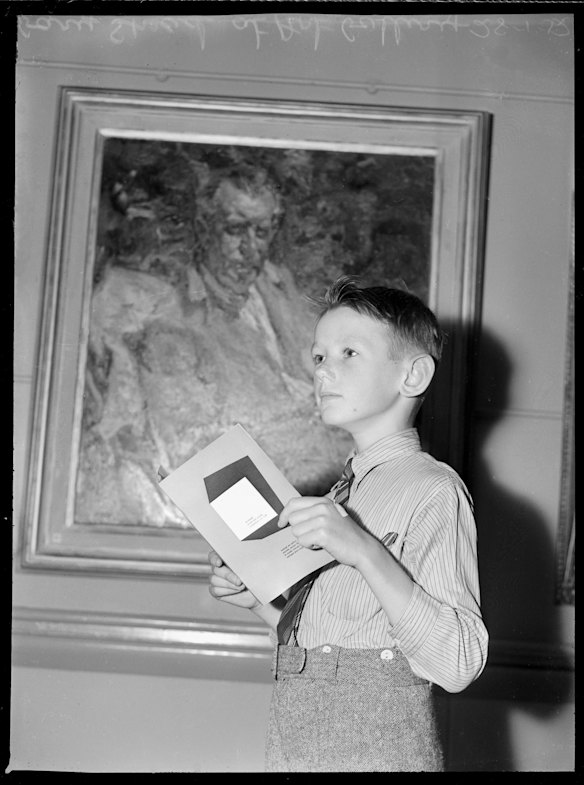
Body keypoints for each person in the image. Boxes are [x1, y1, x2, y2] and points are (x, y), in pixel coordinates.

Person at [208, 276, 489, 772]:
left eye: (348, 354)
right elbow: (336, 649)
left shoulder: (433, 490)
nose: (323, 372)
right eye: (318, 357)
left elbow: (459, 663)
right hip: (297, 749)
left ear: (413, 375)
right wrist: (255, 601)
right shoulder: (341, 495)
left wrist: (362, 548)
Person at [75, 166, 349, 526]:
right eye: (235, 230)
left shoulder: (282, 293)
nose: (251, 250)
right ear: (205, 229)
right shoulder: (173, 322)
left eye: (262, 232)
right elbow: (196, 457)